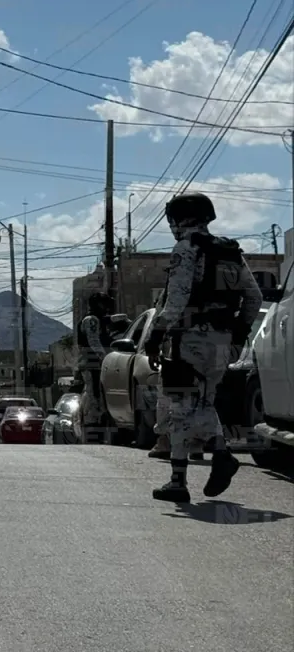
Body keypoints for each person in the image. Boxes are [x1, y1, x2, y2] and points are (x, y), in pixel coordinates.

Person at [144, 193, 263, 503]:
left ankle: (204, 465)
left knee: (181, 406)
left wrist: (154, 338)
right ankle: (182, 477)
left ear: (178, 220)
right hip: (222, 341)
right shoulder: (231, 251)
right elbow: (254, 298)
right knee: (204, 402)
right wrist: (238, 333)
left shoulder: (186, 249)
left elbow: (175, 303)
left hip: (188, 340)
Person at [76, 291, 115, 442]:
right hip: (92, 365)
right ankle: (92, 430)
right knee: (94, 396)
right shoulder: (91, 320)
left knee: (96, 395)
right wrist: (106, 359)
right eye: (103, 303)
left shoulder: (98, 320)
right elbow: (94, 343)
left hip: (95, 365)